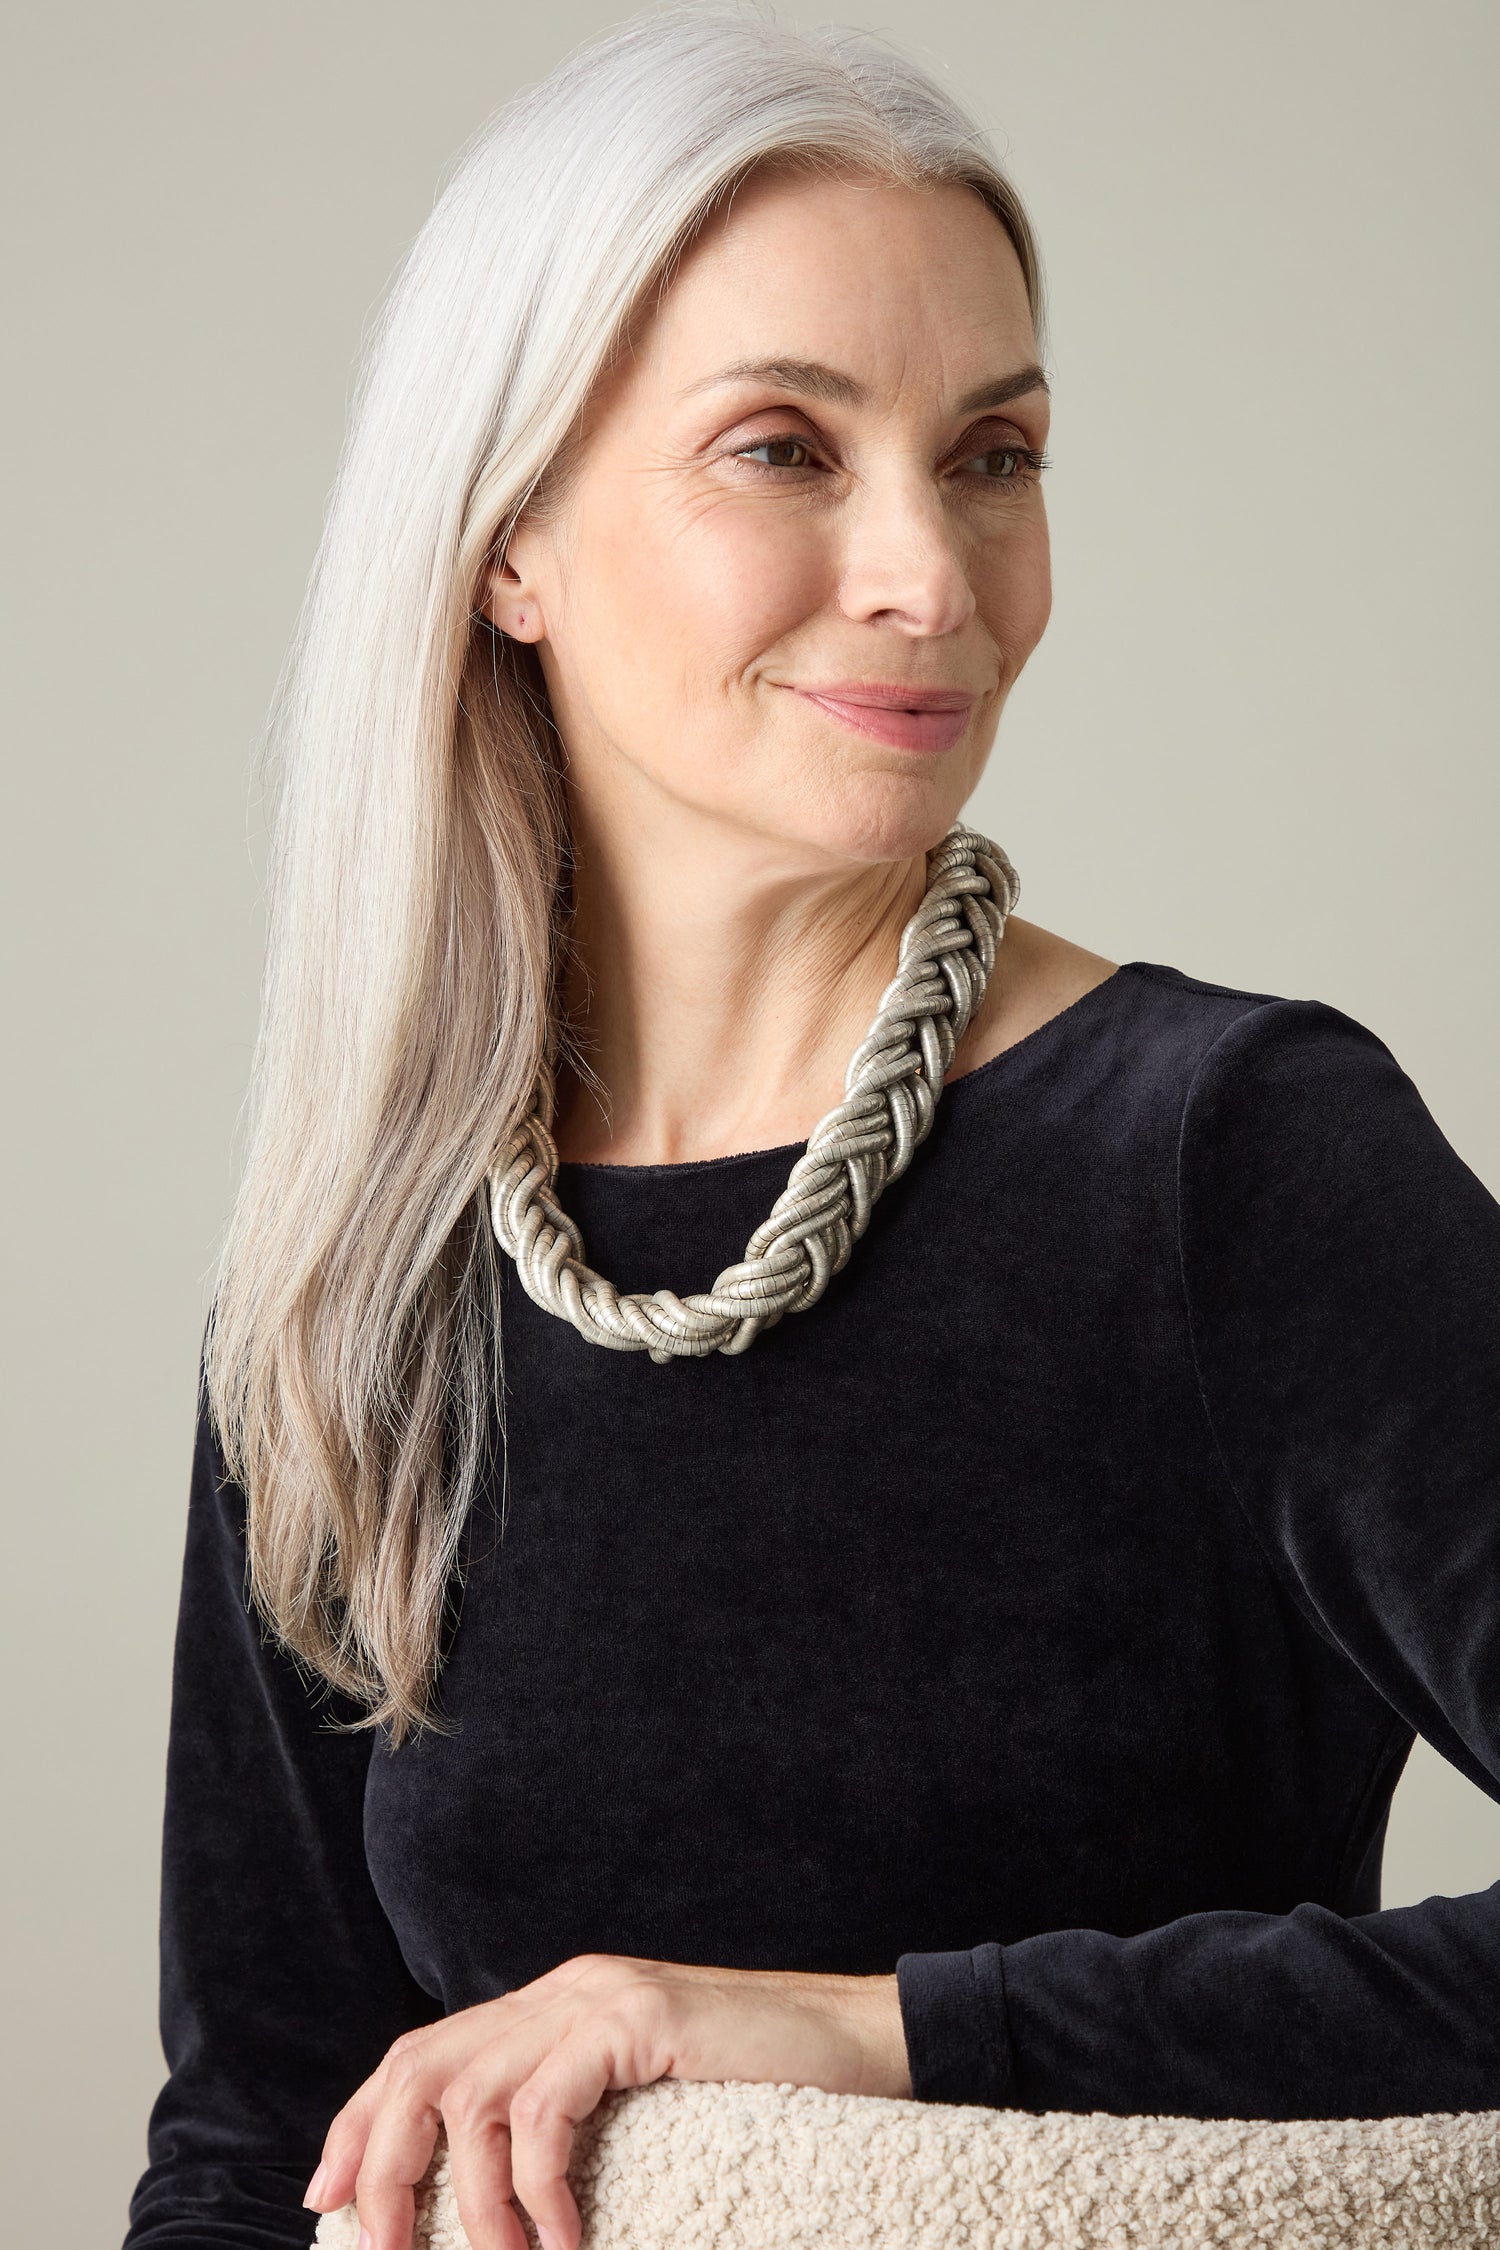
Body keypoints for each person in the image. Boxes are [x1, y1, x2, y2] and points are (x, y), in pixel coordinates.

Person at [124, 8, 1500, 2250]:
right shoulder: (354, 1278)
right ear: (509, 543)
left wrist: (871, 2035)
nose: (933, 579)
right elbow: (260, 2135)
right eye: (784, 447)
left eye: (993, 453)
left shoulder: (1230, 1158)